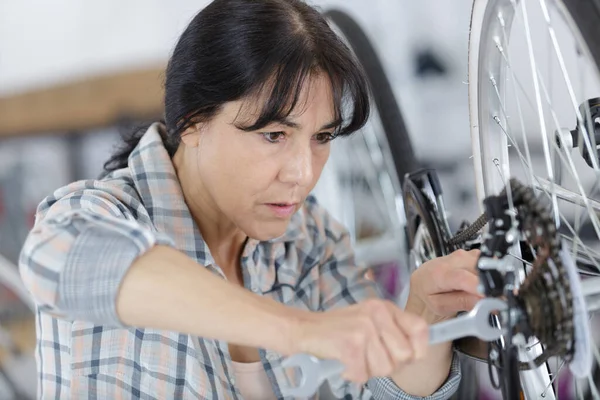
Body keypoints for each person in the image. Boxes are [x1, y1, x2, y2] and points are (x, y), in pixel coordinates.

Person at [19, 0, 483, 399]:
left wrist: (425, 311)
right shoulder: (91, 214)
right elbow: (74, 265)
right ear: (193, 121)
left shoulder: (309, 240)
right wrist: (300, 329)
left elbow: (378, 389)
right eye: (274, 134)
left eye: (321, 137)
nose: (303, 173)